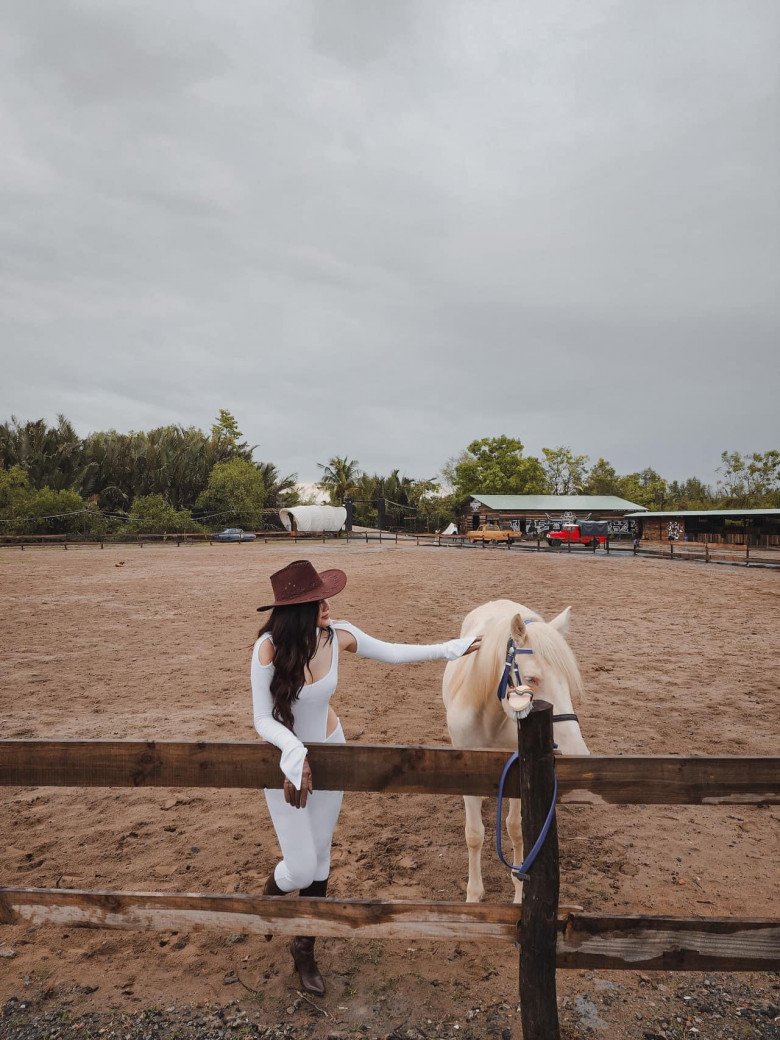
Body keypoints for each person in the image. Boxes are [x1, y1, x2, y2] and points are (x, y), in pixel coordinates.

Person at [251, 559, 480, 997]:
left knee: (319, 861)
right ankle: (270, 896)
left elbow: (393, 652)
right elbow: (262, 719)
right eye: (318, 601)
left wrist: (453, 647)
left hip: (333, 752)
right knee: (298, 867)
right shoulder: (266, 649)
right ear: (296, 609)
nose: (327, 606)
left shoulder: (337, 636)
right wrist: (295, 751)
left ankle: (305, 947)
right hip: (284, 762)